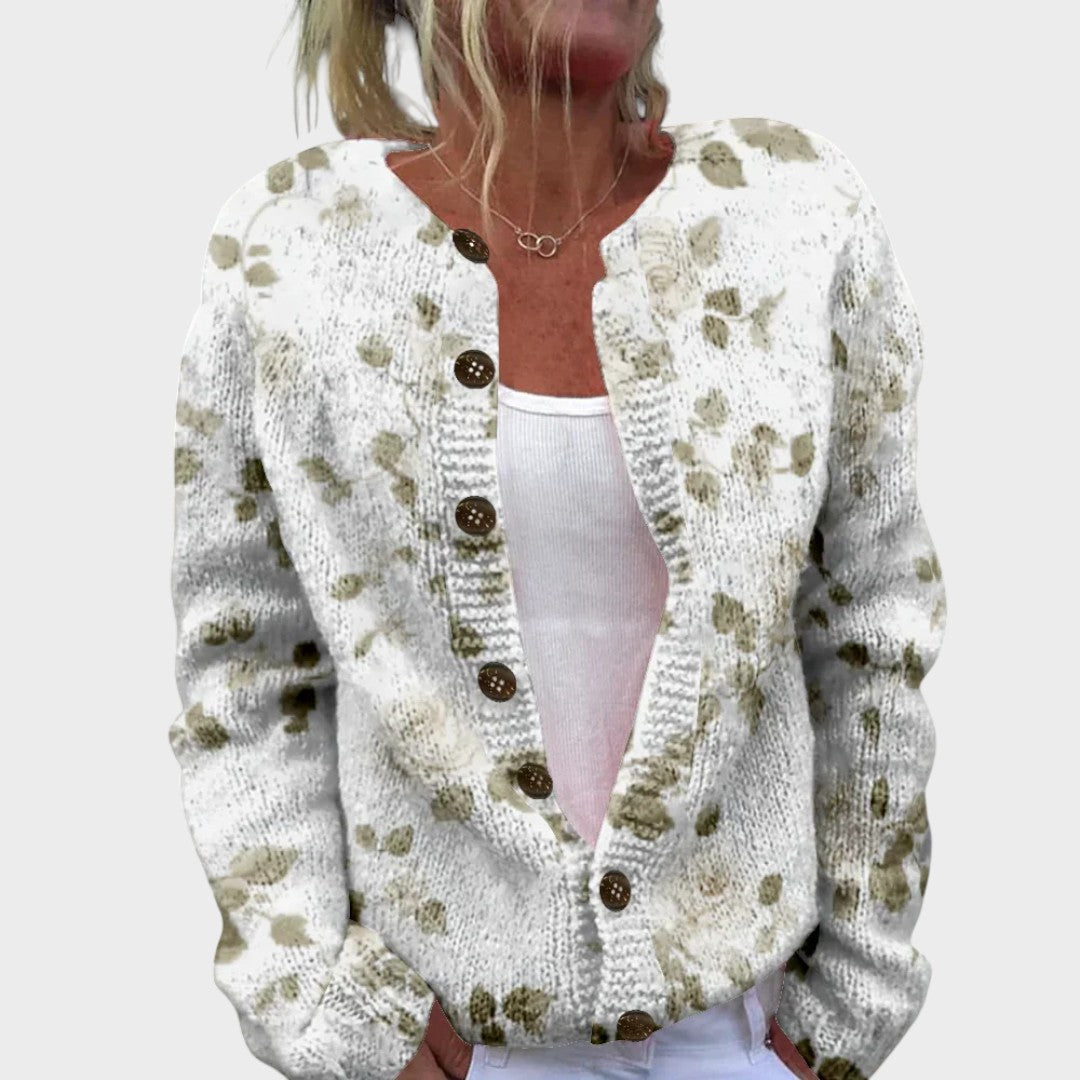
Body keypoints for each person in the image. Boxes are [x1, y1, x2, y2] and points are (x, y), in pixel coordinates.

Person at [168, 2, 946, 1079]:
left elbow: (871, 633)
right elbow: (247, 673)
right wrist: (324, 1011)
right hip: (440, 1045)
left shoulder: (795, 217)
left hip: (741, 1041)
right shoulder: (292, 248)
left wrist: (846, 1013)